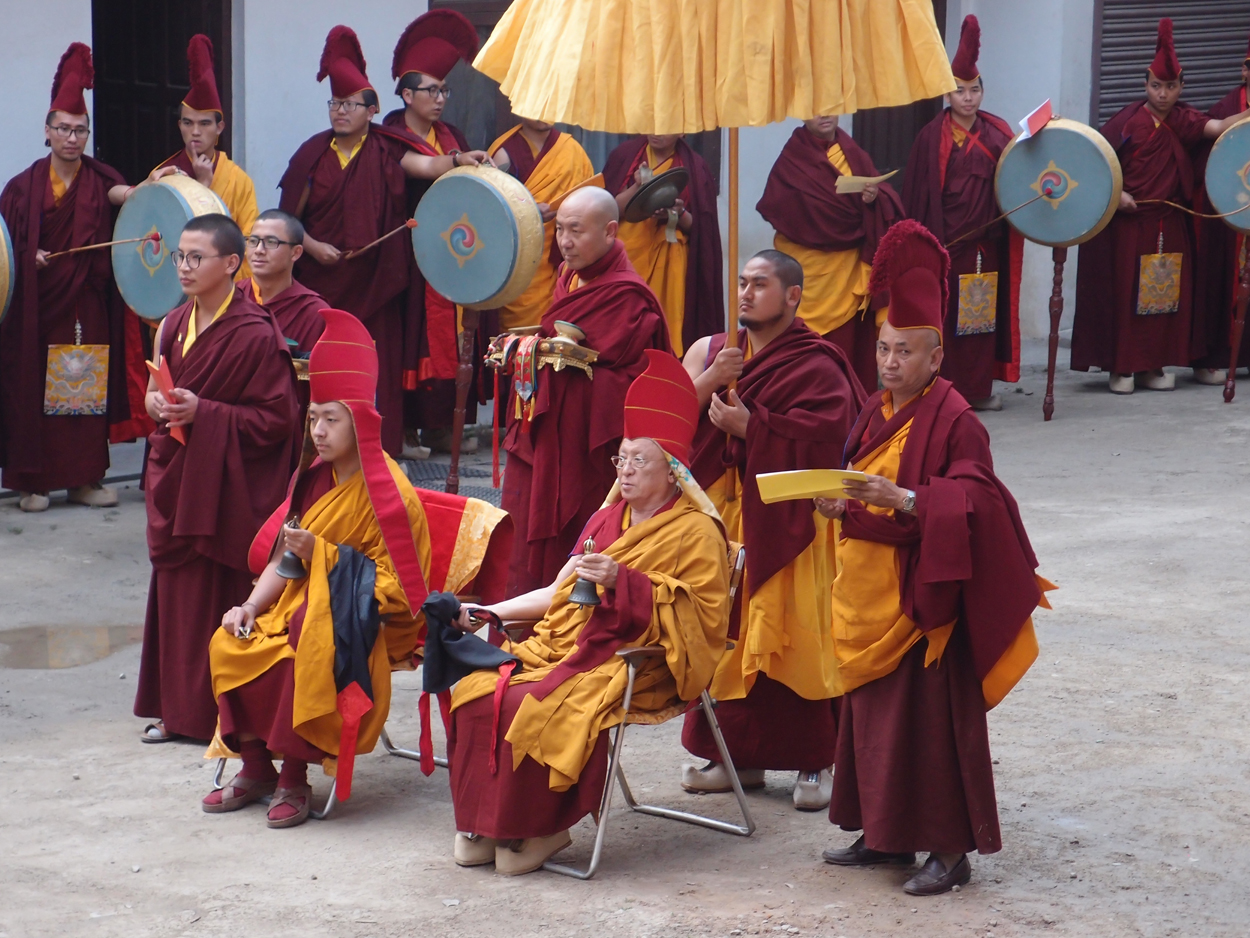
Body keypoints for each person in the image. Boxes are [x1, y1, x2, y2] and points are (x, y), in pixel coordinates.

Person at [815, 220, 1052, 896]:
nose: (889, 362)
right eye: (883, 348)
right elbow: (863, 487)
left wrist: (906, 498)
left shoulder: (955, 420)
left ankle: (950, 852)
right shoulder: (874, 410)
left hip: (922, 597)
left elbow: (977, 502)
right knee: (872, 721)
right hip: (866, 589)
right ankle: (883, 836)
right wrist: (840, 505)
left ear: (937, 356)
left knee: (929, 728)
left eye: (905, 351)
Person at [447, 350, 730, 874]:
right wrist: (488, 610)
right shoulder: (605, 521)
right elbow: (559, 592)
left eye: (639, 460)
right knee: (478, 688)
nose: (625, 470)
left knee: (531, 702)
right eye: (621, 459)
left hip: (635, 660)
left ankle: (542, 827)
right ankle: (484, 822)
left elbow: (704, 621)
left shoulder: (697, 532)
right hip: (564, 643)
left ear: (674, 471)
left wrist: (626, 583)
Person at [203, 308, 432, 828]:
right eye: (313, 419)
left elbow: (401, 592)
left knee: (302, 651)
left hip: (357, 624)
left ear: (361, 421)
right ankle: (257, 767)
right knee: (229, 639)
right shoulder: (314, 478)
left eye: (332, 419)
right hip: (300, 607)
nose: (320, 431)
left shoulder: (390, 496)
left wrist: (323, 556)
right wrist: (249, 605)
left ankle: (293, 777)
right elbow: (283, 559)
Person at [679, 250, 865, 810]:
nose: (746, 293)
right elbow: (665, 420)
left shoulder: (818, 364)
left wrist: (752, 427)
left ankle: (815, 761)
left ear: (793, 296)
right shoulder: (712, 351)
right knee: (728, 634)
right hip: (726, 517)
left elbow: (834, 442)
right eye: (742, 283)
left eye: (760, 284)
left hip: (791, 522)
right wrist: (713, 378)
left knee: (798, 636)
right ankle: (733, 758)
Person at [277, 25, 491, 457]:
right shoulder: (312, 155)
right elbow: (288, 220)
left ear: (372, 110)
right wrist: (313, 247)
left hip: (375, 284)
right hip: (322, 283)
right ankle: (315, 449)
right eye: (335, 103)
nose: (340, 112)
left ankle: (378, 451)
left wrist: (458, 159)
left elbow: (426, 166)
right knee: (324, 365)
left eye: (350, 104)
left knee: (377, 368)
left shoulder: (386, 148)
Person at [134, 214, 300, 743]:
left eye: (195, 257)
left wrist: (204, 412)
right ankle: (177, 712)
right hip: (178, 475)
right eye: (179, 256)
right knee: (177, 599)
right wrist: (159, 405)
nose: (183, 267)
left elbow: (279, 420)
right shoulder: (171, 324)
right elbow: (152, 394)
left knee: (219, 597)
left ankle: (226, 718)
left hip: (227, 488)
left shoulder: (254, 333)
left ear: (230, 264)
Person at [500, 186, 670, 596]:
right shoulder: (569, 277)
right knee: (522, 522)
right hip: (549, 432)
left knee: (582, 538)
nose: (565, 241)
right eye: (560, 229)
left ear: (610, 231)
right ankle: (524, 617)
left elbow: (638, 383)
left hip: (589, 445)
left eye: (576, 231)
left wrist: (564, 372)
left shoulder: (630, 298)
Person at [1072, 18, 1250, 394]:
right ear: (1145, 85)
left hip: (1170, 222)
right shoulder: (1128, 121)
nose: (1163, 94)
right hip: (1130, 224)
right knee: (1127, 297)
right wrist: (1116, 195)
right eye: (1156, 86)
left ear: (1181, 86)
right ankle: (1122, 369)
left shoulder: (1183, 119)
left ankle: (1152, 366)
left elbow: (1219, 128)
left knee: (1165, 298)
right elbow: (1094, 162)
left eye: (1170, 87)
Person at [0, 43, 140, 513]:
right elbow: (4, 254)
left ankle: (83, 479)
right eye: (63, 128)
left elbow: (121, 195)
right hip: (35, 308)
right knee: (34, 390)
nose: (72, 138)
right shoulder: (21, 188)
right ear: (47, 131)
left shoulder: (99, 180)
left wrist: (143, 192)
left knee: (83, 390)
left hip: (85, 308)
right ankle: (33, 483)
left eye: (80, 130)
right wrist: (28, 256)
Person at [902, 15, 1023, 412]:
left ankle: (978, 389)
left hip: (986, 247)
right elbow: (917, 196)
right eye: (959, 90)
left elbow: (1020, 173)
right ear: (947, 94)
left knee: (980, 323)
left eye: (974, 90)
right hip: (946, 248)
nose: (967, 98)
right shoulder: (929, 138)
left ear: (982, 92)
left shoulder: (998, 134)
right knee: (946, 322)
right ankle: (943, 392)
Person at [382, 10, 486, 448]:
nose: (440, 99)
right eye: (431, 90)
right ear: (407, 94)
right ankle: (404, 428)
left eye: (445, 90)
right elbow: (420, 167)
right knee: (410, 337)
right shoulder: (390, 133)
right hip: (406, 252)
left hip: (451, 249)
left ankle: (443, 427)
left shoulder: (451, 134)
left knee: (450, 334)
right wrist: (458, 161)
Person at [756, 115, 904, 391]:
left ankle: (850, 408)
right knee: (804, 353)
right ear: (804, 113)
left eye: (831, 107)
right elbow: (780, 210)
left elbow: (883, 195)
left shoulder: (852, 151)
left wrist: (873, 198)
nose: (825, 114)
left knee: (847, 353)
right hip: (810, 272)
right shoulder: (793, 158)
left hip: (846, 273)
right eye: (816, 108)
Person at [149, 35, 258, 278]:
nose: (195, 131)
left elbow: (249, 245)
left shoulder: (238, 180)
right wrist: (201, 186)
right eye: (188, 123)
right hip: (176, 284)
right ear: (179, 125)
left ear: (220, 128)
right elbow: (154, 238)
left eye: (205, 123)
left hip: (226, 286)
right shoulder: (164, 174)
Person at [604, 134, 723, 356]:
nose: (656, 132)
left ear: (681, 131)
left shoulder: (695, 167)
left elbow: (702, 231)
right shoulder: (626, 156)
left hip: (670, 262)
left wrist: (678, 213)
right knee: (623, 325)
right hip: (628, 256)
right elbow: (607, 209)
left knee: (666, 326)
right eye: (653, 122)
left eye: (665, 126)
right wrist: (637, 186)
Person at [490, 119, 595, 330]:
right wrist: (529, 212)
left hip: (563, 259)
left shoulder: (572, 151)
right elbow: (489, 213)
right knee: (515, 335)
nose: (543, 115)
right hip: (517, 264)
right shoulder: (503, 153)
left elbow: (591, 202)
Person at [1191, 35, 1250, 382]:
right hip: (1231, 211)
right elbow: (1206, 157)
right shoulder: (1226, 108)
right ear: (1244, 70)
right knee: (1222, 280)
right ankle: (1216, 355)